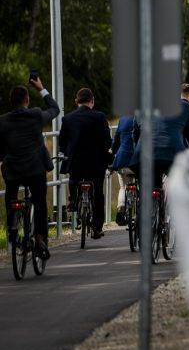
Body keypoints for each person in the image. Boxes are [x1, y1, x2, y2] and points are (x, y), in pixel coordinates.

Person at [0, 77, 59, 259]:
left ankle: (12, 229)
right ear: (27, 100)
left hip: (13, 172)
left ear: (11, 101)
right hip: (34, 170)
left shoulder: (2, 121)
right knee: (39, 201)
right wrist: (41, 89)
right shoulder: (35, 114)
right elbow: (55, 110)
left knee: (11, 198)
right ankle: (40, 238)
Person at [61, 88, 112, 238]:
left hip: (75, 163)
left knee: (73, 178)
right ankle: (97, 227)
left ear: (76, 102)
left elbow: (62, 143)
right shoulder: (100, 117)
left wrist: (66, 152)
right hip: (96, 164)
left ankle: (73, 201)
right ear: (92, 101)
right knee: (98, 194)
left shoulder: (68, 119)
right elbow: (107, 140)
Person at [129, 89, 189, 187]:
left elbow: (135, 134)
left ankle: (144, 201)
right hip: (172, 155)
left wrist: (136, 149)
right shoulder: (184, 106)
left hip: (143, 155)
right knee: (179, 184)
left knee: (146, 190)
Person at [110, 114, 139, 223]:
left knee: (123, 187)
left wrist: (112, 152)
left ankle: (120, 212)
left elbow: (116, 140)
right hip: (138, 162)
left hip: (122, 160)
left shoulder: (122, 119)